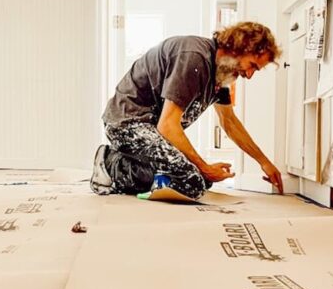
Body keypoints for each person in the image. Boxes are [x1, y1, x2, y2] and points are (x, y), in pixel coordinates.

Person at [91, 22, 284, 200]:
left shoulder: (221, 73)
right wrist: (204, 168)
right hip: (127, 123)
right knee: (191, 182)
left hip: (153, 129)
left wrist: (264, 162)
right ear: (239, 48)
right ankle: (110, 163)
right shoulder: (194, 58)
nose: (249, 75)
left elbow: (229, 122)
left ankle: (139, 165)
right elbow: (167, 125)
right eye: (252, 66)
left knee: (199, 180)